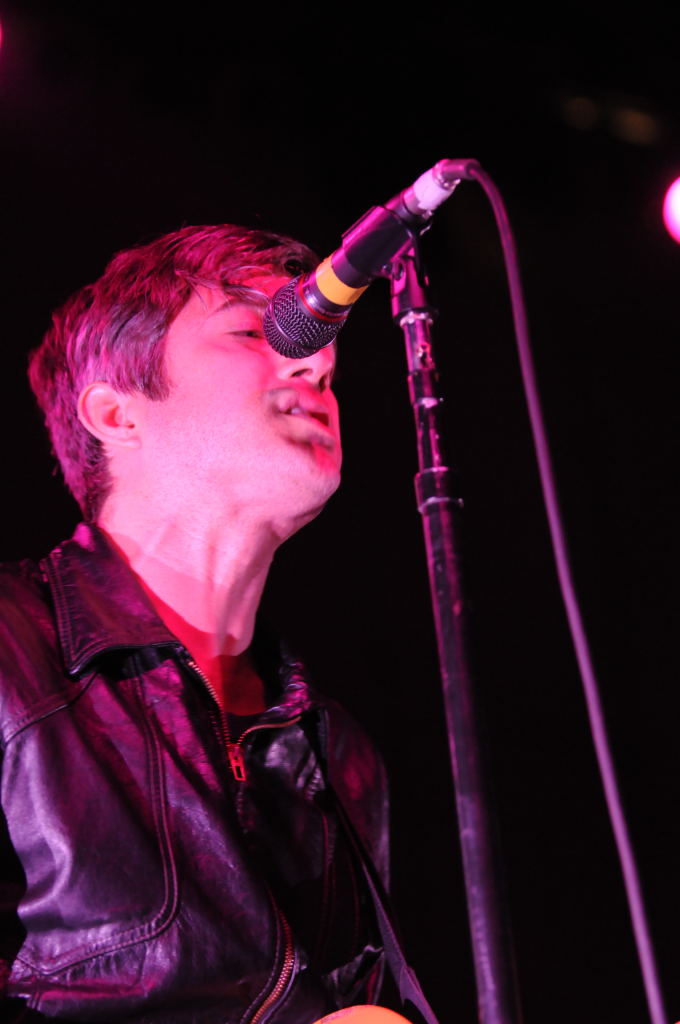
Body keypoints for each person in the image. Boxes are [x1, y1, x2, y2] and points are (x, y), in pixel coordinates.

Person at [0, 225, 391, 1023]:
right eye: (252, 330)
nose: (315, 358)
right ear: (116, 413)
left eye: (321, 345)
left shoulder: (339, 755)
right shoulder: (11, 648)